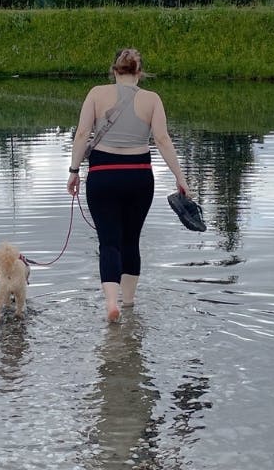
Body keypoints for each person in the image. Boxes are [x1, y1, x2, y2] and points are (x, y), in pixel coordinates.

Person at [67, 48, 189, 322]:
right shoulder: (152, 99)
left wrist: (74, 171)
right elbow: (162, 140)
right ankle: (130, 304)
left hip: (103, 176)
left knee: (109, 243)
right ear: (139, 73)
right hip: (138, 177)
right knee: (131, 240)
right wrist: (180, 178)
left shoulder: (96, 93)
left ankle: (112, 304)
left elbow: (83, 134)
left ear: (113, 71)